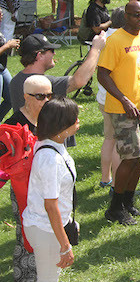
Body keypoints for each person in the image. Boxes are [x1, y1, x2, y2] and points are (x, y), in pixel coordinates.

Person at [98, 1, 140, 226]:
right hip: (123, 108)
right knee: (130, 157)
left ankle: (128, 202)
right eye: (135, 16)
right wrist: (123, 100)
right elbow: (103, 75)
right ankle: (114, 208)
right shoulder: (115, 41)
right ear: (126, 16)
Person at [22, 97, 80, 281]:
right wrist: (65, 245)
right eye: (75, 118)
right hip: (46, 229)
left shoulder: (52, 144)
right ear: (62, 126)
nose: (78, 121)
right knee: (48, 279)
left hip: (50, 226)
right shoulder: (50, 159)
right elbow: (50, 206)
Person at [5, 75, 52, 282]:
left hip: (45, 186)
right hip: (24, 189)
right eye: (41, 96)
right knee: (25, 233)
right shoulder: (13, 124)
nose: (47, 101)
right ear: (26, 97)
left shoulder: (48, 117)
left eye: (50, 95)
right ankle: (24, 276)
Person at [10, 33, 104, 114]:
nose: (54, 54)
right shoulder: (44, 84)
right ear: (40, 55)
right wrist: (96, 48)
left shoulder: (15, 80)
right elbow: (79, 81)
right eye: (51, 50)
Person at [95, 8, 126, 188]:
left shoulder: (103, 38)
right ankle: (117, 184)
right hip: (118, 98)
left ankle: (106, 178)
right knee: (119, 142)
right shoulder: (120, 40)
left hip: (103, 96)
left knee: (109, 138)